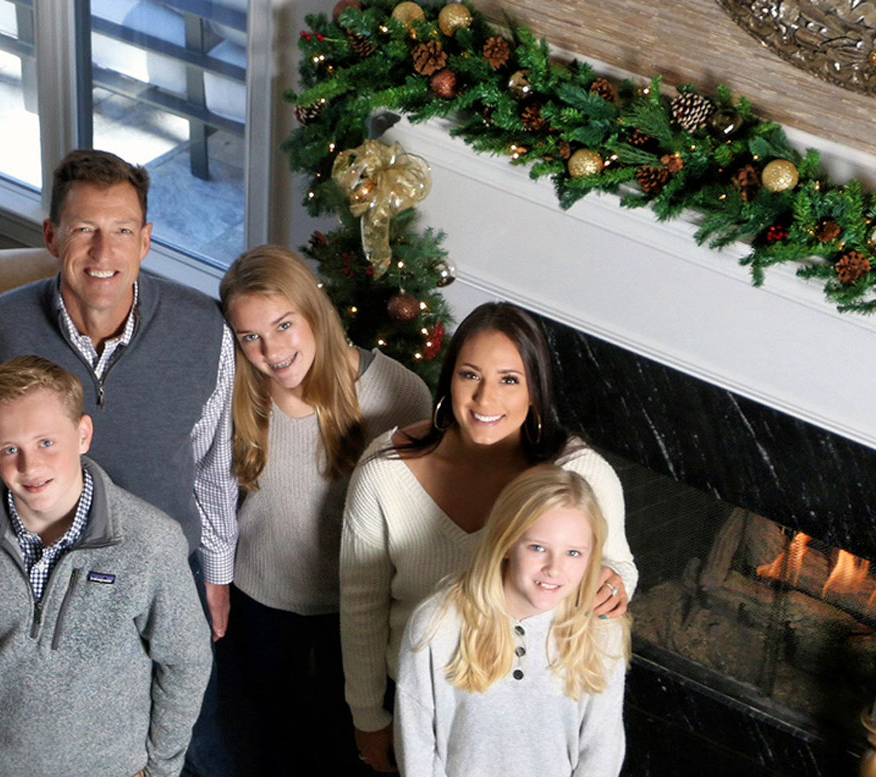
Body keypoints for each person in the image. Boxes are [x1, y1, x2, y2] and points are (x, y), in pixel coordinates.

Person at [338, 302, 637, 772]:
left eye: (509, 380)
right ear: (448, 381)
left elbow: (618, 568)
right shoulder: (384, 471)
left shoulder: (581, 474)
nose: (485, 399)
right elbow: (361, 603)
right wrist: (367, 716)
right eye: (470, 375)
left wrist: (612, 583)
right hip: (424, 703)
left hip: (534, 705)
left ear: (535, 391)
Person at [0, 149, 237, 625]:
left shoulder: (205, 330)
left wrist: (215, 576)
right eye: (84, 229)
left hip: (168, 573)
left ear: (146, 241)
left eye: (123, 231)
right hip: (40, 575)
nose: (103, 253)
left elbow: (213, 467)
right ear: (52, 236)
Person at [0, 356, 212, 777]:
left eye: (46, 443)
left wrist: (161, 770)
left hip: (111, 769)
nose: (29, 466)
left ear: (83, 434)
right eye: (10, 449)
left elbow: (185, 660)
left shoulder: (151, 540)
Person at [213, 245, 431, 776]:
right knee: (263, 749)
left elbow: (424, 514)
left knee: (344, 751)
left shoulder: (397, 394)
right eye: (251, 337)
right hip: (257, 602)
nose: (272, 349)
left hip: (354, 615)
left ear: (315, 309)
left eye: (284, 324)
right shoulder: (233, 393)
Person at [395, 467, 630, 777]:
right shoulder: (437, 624)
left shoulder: (601, 631)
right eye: (537, 548)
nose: (554, 569)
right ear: (506, 542)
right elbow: (417, 746)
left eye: (573, 553)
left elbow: (601, 750)